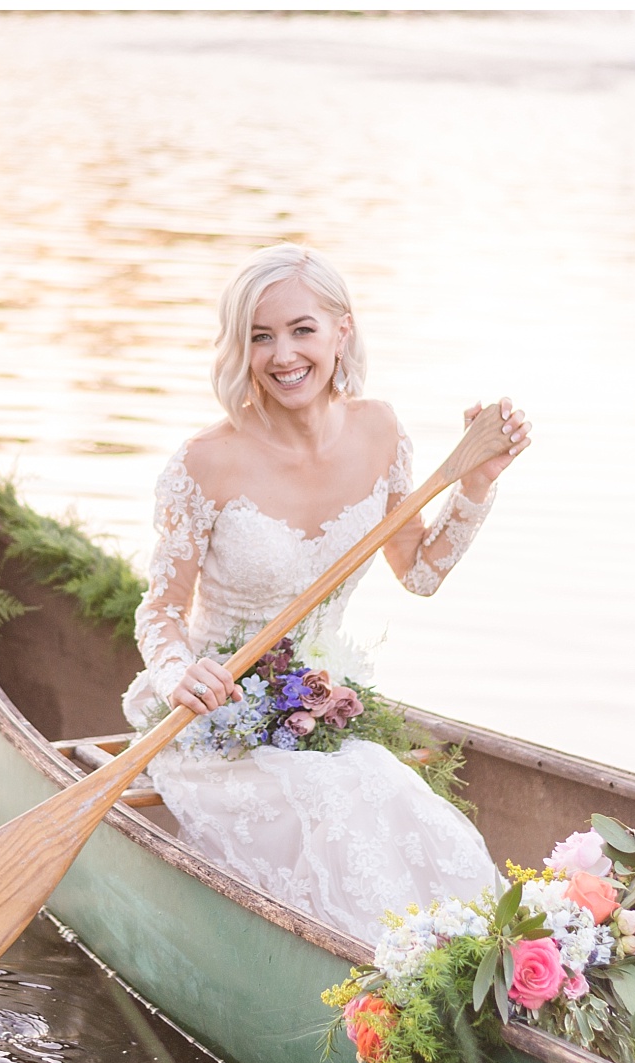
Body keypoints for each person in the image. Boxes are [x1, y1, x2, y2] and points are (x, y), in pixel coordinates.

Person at [120, 244, 533, 942]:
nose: (283, 355)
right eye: (260, 336)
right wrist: (177, 674)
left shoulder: (380, 430)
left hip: (323, 706)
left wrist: (475, 485)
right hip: (215, 721)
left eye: (301, 329)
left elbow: (421, 573)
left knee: (383, 788)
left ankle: (462, 955)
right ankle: (377, 962)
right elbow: (160, 610)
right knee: (341, 788)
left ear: (342, 331)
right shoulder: (204, 463)